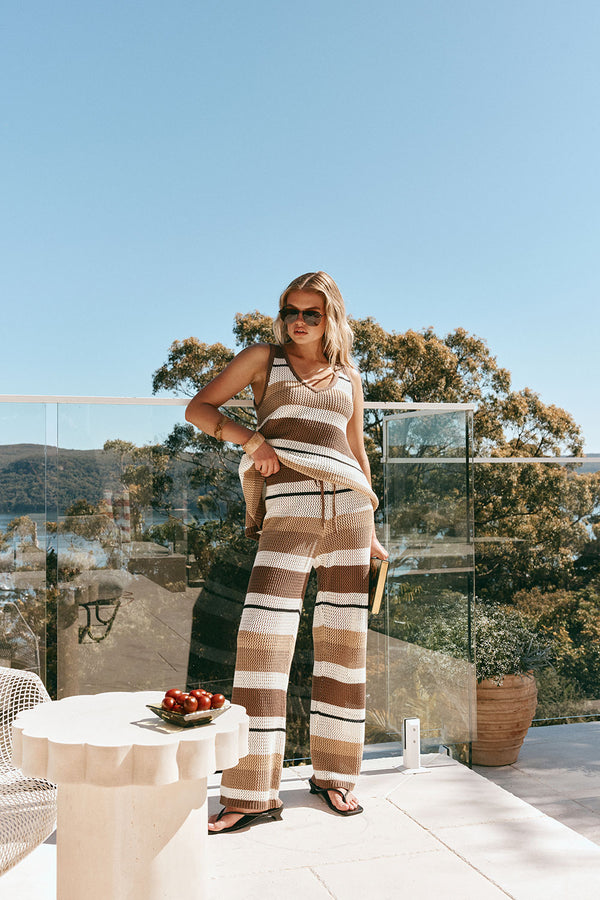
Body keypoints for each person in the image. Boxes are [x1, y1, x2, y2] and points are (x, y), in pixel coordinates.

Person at [185, 271, 388, 834]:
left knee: (343, 648)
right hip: (289, 512)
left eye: (312, 314)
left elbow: (356, 451)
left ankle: (335, 777)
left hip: (350, 512)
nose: (298, 322)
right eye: (291, 311)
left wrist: (371, 524)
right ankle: (250, 794)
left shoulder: (348, 376)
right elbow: (199, 410)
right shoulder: (262, 359)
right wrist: (252, 441)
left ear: (332, 320)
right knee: (262, 643)